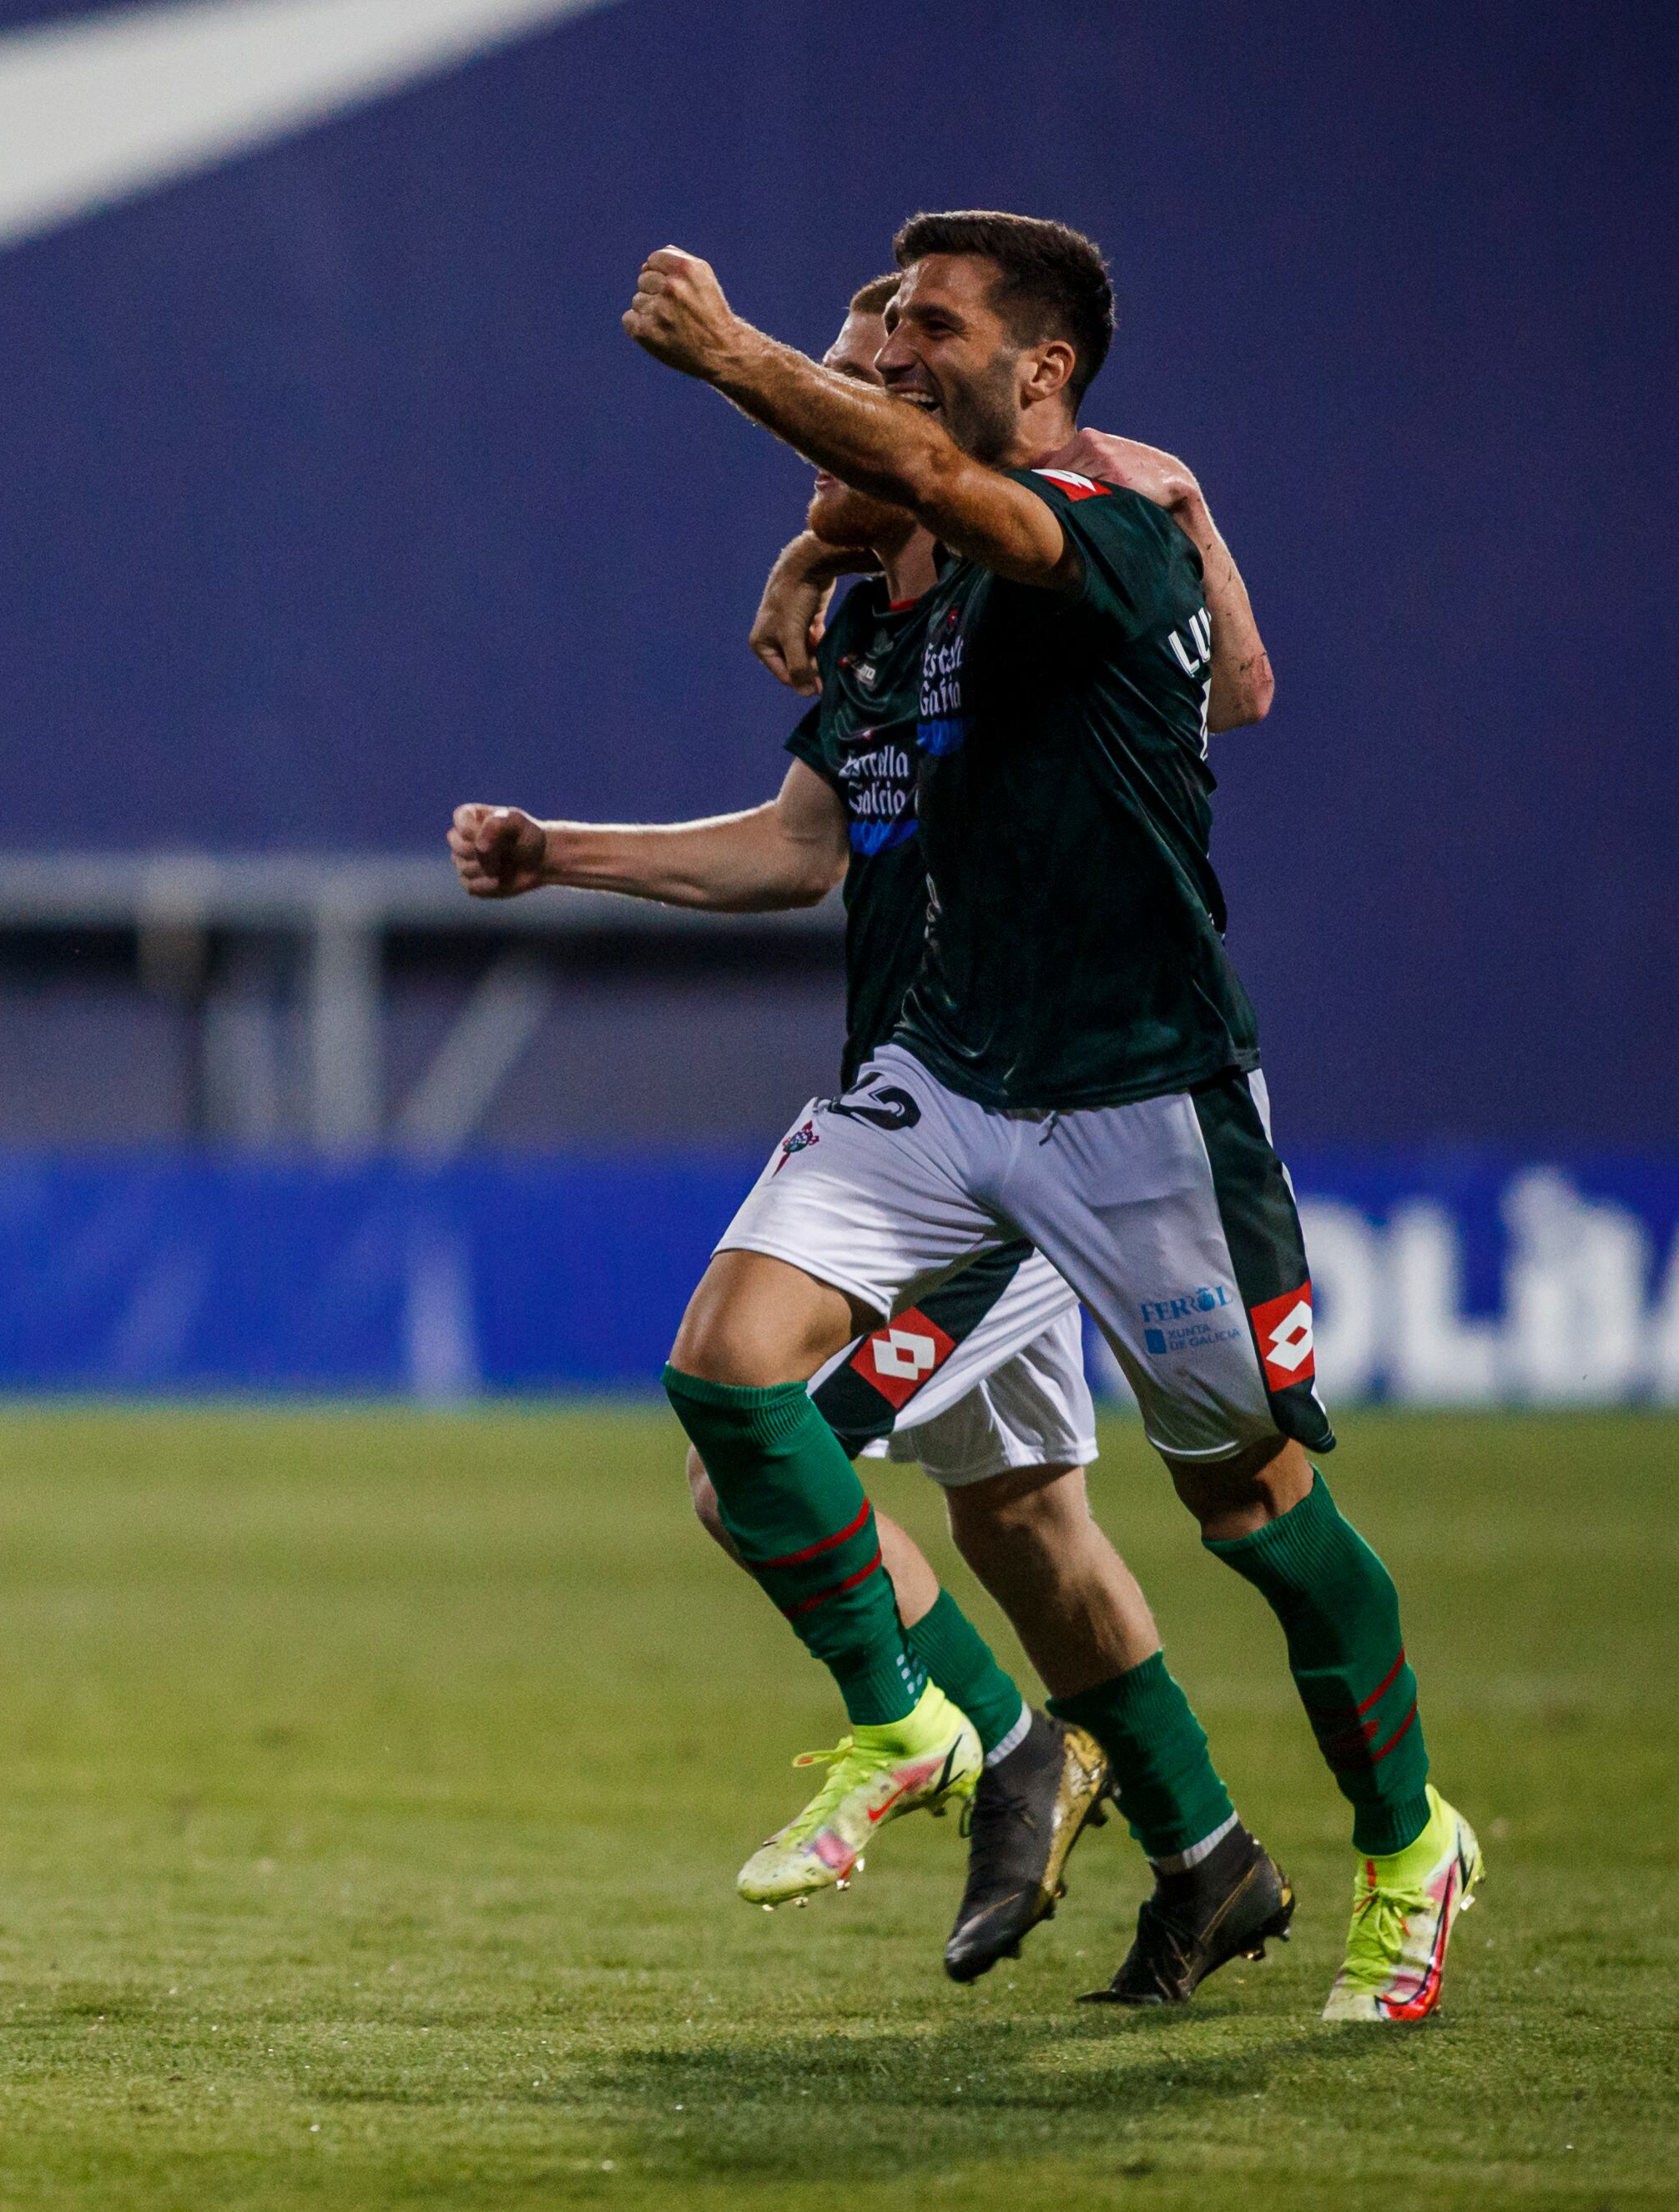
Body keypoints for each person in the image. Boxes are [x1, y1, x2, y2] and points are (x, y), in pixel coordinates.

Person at [621, 210, 1477, 2020]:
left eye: (927, 323)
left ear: (1042, 372)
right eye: (885, 324)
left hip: (1142, 1101)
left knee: (1253, 1518)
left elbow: (948, 479)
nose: (892, 349)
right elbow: (886, 490)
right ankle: (928, 1726)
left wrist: (728, 358)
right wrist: (805, 549)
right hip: (947, 1076)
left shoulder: (1095, 534)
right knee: (728, 1372)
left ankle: (1405, 1840)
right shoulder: (918, 568)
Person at [453, 274, 1283, 1986]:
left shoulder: (1027, 565)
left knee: (742, 1442)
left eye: (863, 387)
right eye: (834, 383)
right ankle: (1205, 1855)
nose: (825, 420)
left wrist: (1164, 492)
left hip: (1019, 1122)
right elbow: (793, 848)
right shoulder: (872, 625)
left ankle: (972, 1732)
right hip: (922, 1104)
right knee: (1019, 1524)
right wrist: (560, 855)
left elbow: (1216, 667)